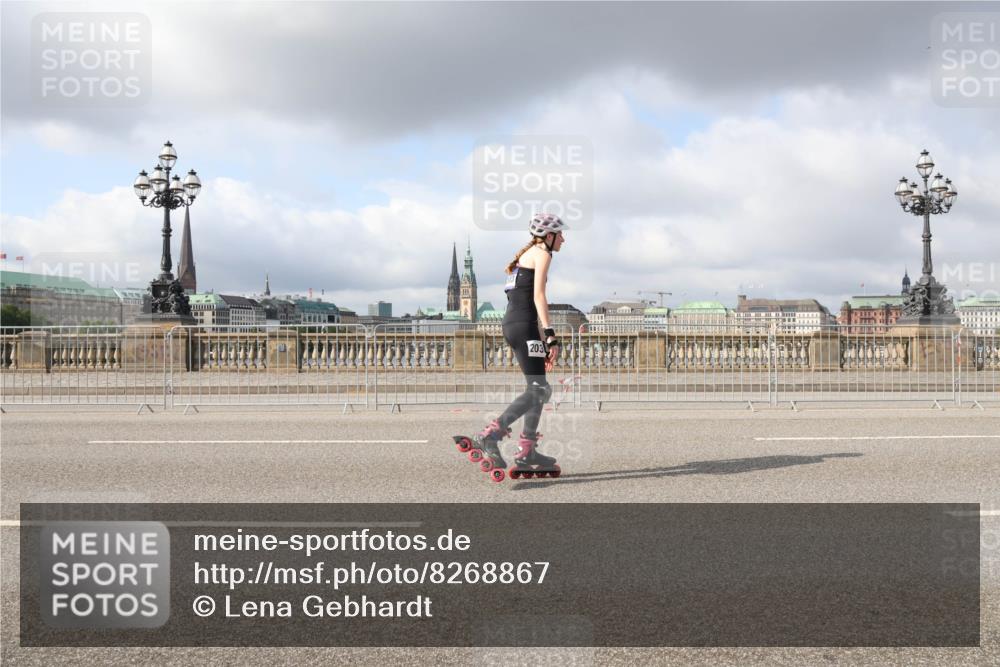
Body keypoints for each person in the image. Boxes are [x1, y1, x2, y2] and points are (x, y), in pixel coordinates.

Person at [472, 212, 566, 480]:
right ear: (549, 236)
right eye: (560, 234)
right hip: (524, 326)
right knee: (538, 389)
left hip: (515, 326)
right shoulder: (542, 254)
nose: (563, 239)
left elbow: (523, 301)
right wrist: (551, 336)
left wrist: (540, 340)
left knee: (539, 388)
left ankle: (528, 450)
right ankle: (491, 434)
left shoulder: (525, 257)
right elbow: (538, 297)